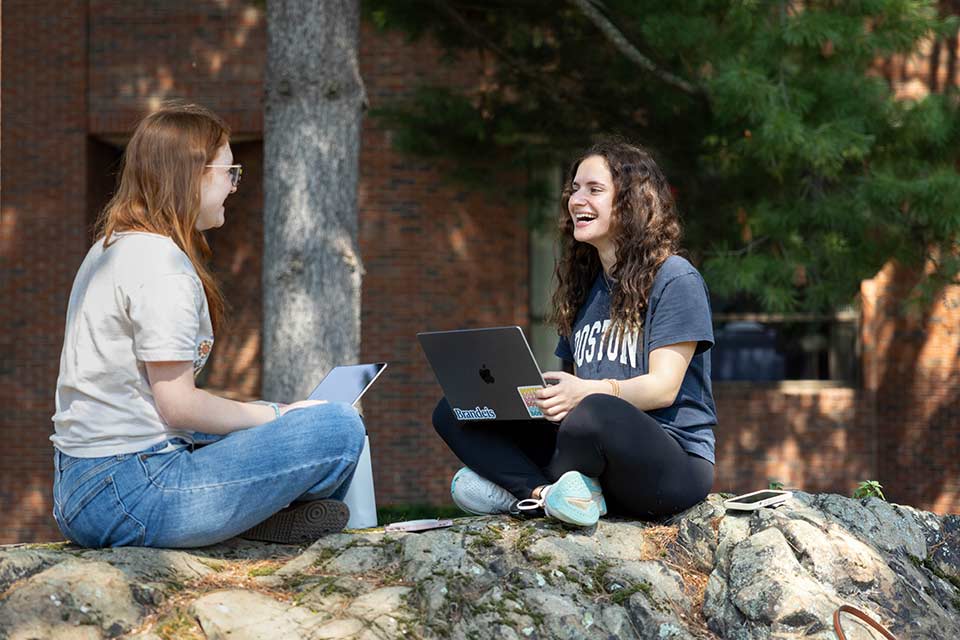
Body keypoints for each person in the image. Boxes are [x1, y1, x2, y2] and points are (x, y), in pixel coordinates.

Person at [51, 103, 366, 548]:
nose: (234, 186)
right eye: (229, 172)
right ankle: (264, 515)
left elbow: (157, 409)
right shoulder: (162, 265)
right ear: (191, 175)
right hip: (135, 491)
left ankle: (254, 518)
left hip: (81, 487)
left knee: (287, 423)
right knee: (338, 428)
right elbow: (178, 407)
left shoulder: (111, 248)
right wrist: (280, 415)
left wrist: (269, 416)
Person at [434, 139, 716, 527]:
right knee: (456, 408)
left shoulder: (675, 278)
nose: (576, 199)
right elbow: (571, 400)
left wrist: (583, 392)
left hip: (672, 463)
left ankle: (513, 488)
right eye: (575, 188)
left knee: (592, 412)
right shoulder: (586, 288)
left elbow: (662, 388)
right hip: (590, 448)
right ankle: (543, 495)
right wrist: (536, 397)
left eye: (594, 189)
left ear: (632, 202)